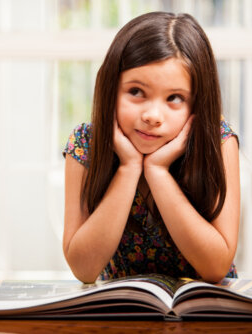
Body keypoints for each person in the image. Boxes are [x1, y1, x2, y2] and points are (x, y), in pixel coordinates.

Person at [62, 12, 240, 284]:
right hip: (123, 313)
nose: (152, 115)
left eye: (174, 98)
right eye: (136, 92)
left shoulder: (216, 141)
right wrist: (129, 167)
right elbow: (84, 269)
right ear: (110, 87)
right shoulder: (86, 143)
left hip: (204, 313)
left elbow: (216, 266)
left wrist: (158, 172)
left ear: (197, 104)